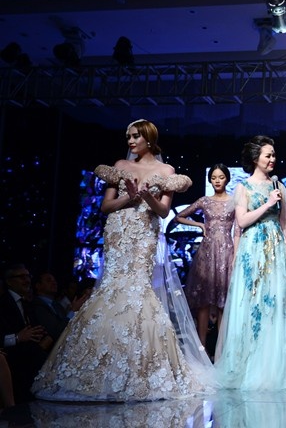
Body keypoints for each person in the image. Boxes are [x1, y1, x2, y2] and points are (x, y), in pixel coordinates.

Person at [31, 119, 216, 402]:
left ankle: (140, 369)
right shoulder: (120, 165)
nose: (130, 141)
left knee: (137, 289)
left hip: (144, 232)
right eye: (128, 136)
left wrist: (146, 196)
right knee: (111, 287)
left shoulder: (166, 172)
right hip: (118, 231)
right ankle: (99, 367)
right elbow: (106, 206)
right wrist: (129, 197)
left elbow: (163, 211)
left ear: (149, 139)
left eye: (135, 136)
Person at [213, 135, 286, 390]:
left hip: (275, 250)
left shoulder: (278, 186)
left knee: (274, 302)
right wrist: (267, 204)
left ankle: (270, 367)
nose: (273, 159)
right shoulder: (243, 187)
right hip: (253, 248)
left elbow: (285, 224)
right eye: (268, 155)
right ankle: (246, 366)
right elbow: (242, 221)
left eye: (274, 155)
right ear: (256, 158)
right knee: (251, 302)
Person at [175, 163, 240, 349]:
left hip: (227, 252)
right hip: (207, 252)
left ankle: (221, 349)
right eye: (213, 178)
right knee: (203, 301)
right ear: (210, 180)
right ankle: (201, 347)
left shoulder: (234, 201)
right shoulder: (204, 201)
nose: (217, 181)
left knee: (222, 302)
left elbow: (239, 229)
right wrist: (200, 225)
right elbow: (179, 216)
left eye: (221, 177)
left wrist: (236, 253)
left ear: (227, 179)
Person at [0, 263, 49, 403]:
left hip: (32, 361)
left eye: (28, 276)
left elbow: (35, 330)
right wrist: (17, 337)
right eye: (21, 277)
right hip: (13, 364)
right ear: (9, 281)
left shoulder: (27, 304)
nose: (27, 280)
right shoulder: (2, 304)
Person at [31, 271, 89, 343]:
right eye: (49, 280)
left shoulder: (56, 305)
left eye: (54, 280)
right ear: (38, 285)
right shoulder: (37, 306)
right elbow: (55, 332)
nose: (54, 283)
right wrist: (73, 311)